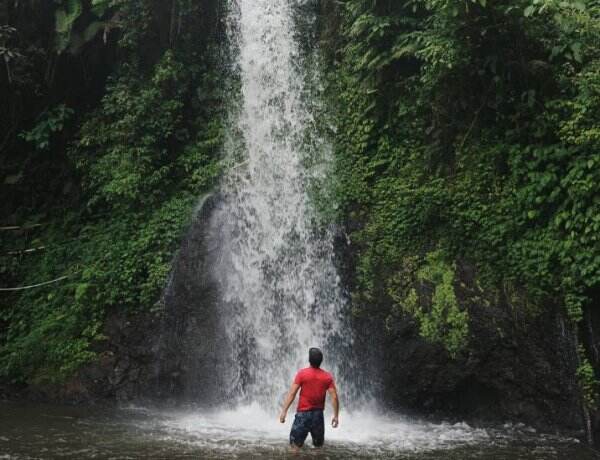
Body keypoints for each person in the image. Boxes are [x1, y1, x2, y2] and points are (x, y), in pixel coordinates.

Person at [279, 347, 339, 451]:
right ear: (321, 361)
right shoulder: (327, 377)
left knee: (295, 447)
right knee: (318, 448)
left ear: (309, 360)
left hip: (303, 415)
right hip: (318, 416)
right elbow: (334, 397)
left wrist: (284, 411)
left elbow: (292, 393)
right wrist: (336, 416)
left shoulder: (302, 374)